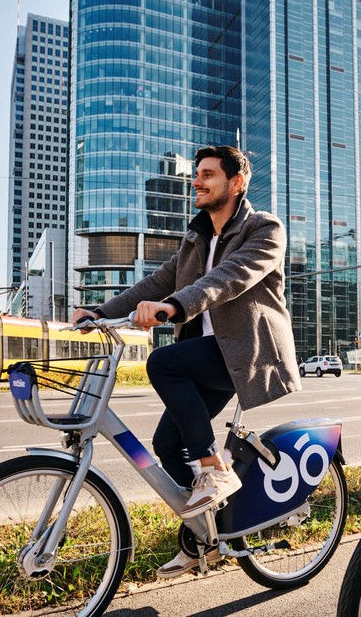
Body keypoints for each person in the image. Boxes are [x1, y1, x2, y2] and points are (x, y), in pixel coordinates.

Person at [72, 145, 301, 578]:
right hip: (206, 355)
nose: (197, 181)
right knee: (165, 445)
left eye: (208, 174)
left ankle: (215, 469)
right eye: (196, 174)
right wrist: (100, 312)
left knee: (163, 363)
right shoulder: (196, 238)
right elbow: (156, 280)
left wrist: (174, 307)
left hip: (245, 353)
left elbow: (229, 279)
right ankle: (209, 541)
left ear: (236, 183)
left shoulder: (264, 228)